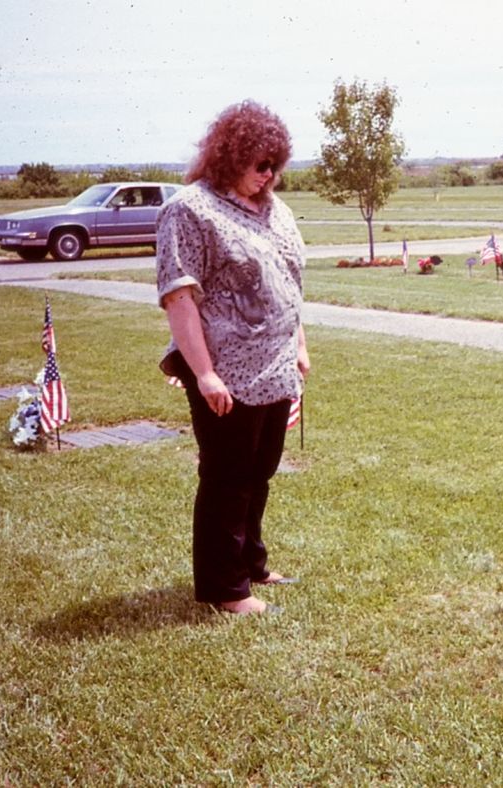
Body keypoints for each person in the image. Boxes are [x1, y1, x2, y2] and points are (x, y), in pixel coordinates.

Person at [156, 100, 309, 616]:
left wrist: (300, 345)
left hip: (275, 366)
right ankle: (226, 589)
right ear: (230, 156)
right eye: (259, 164)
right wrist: (204, 373)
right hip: (225, 370)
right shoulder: (189, 210)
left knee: (260, 471)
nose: (268, 175)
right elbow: (179, 295)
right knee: (228, 476)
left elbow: (287, 282)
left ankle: (251, 565)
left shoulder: (275, 210)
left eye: (276, 165)